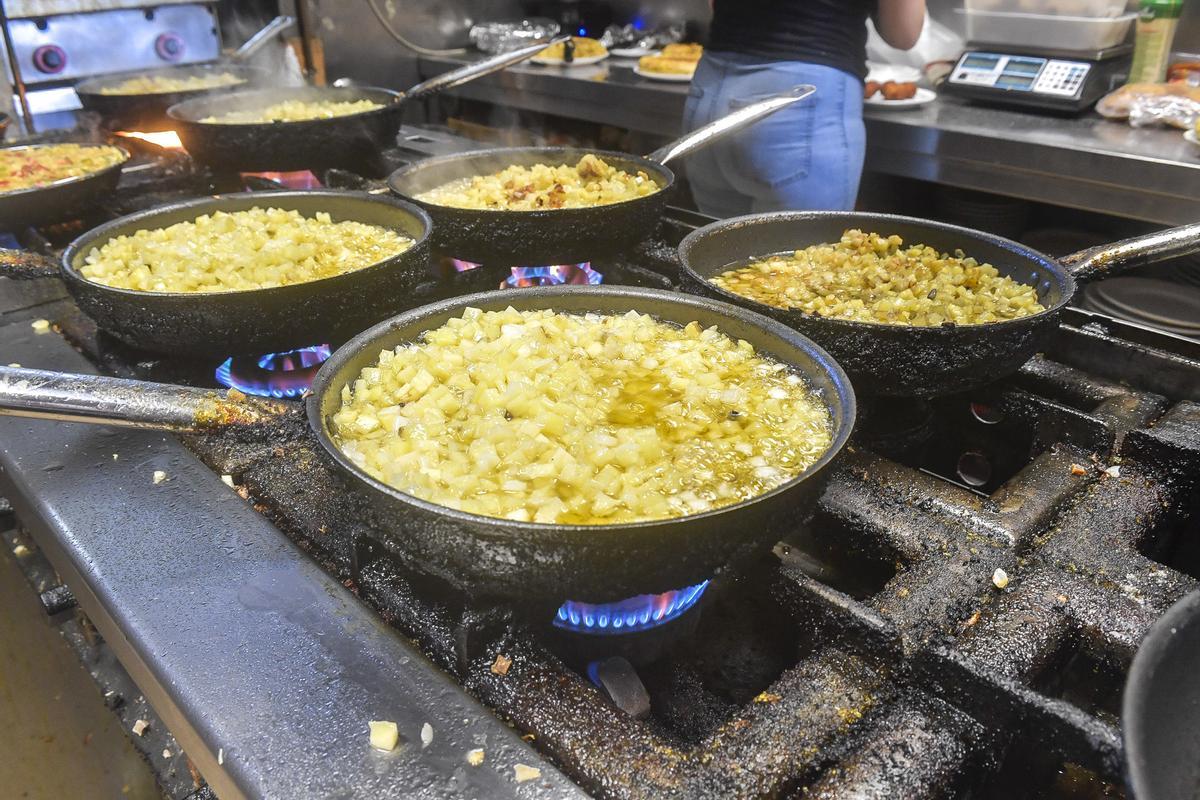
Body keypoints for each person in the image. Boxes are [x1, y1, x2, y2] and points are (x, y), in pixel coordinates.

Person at [683, 0, 926, 216]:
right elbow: (903, 31)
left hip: (709, 97)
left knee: (718, 251)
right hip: (798, 103)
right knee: (805, 251)